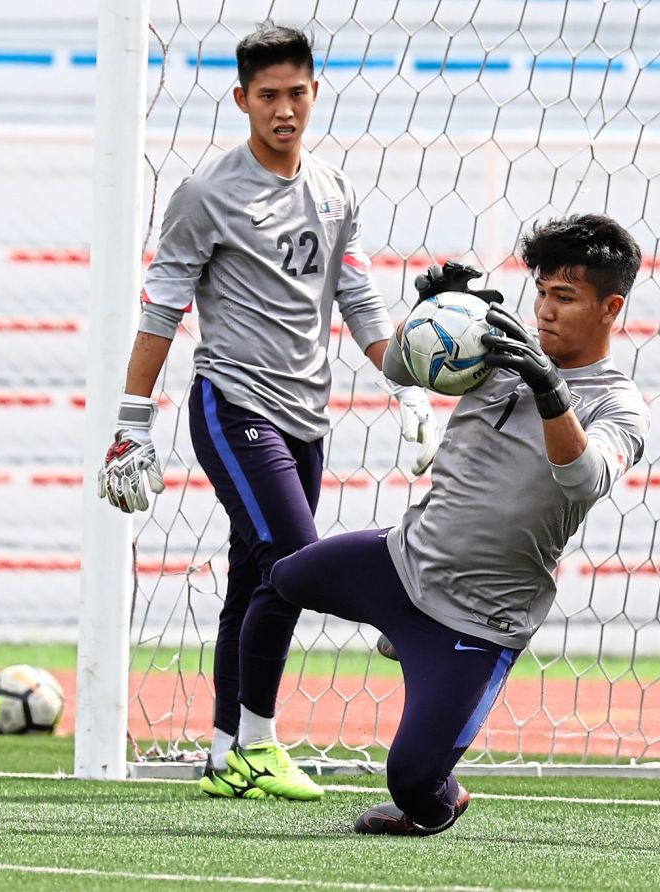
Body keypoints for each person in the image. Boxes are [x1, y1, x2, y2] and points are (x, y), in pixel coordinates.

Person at [96, 22, 442, 802]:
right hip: (233, 405)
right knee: (295, 560)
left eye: (296, 94)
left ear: (315, 91)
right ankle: (264, 737)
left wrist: (407, 384)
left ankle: (226, 754)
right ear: (241, 99)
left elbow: (358, 298)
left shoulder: (335, 189)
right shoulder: (206, 195)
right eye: (267, 96)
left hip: (307, 416)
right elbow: (162, 308)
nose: (284, 110)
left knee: (256, 579)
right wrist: (131, 423)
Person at [266, 214, 650, 834]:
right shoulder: (496, 346)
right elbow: (397, 368)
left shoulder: (617, 403)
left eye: (565, 297)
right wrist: (430, 313)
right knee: (282, 578)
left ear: (611, 308)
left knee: (413, 785)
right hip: (405, 563)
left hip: (482, 617)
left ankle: (443, 786)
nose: (545, 311)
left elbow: (585, 479)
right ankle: (247, 741)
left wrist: (549, 390)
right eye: (541, 293)